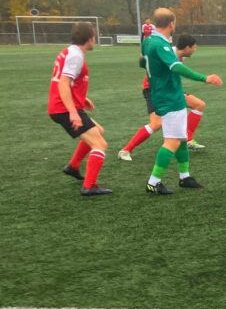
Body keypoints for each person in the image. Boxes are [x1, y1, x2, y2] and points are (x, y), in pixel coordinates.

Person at [143, 8, 222, 195]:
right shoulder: (160, 44)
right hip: (169, 97)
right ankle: (153, 182)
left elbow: (142, 63)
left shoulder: (148, 41)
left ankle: (184, 177)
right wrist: (205, 78)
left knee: (181, 138)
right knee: (172, 141)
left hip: (166, 93)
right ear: (172, 23)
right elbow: (176, 67)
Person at [119, 33, 208, 161]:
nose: (195, 49)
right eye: (194, 47)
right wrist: (204, 78)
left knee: (199, 105)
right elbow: (143, 59)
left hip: (170, 90)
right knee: (156, 123)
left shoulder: (178, 55)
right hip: (154, 89)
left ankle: (187, 139)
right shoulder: (167, 52)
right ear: (187, 47)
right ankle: (126, 150)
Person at [50, 22, 112, 196]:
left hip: (63, 105)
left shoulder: (70, 51)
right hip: (63, 108)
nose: (95, 39)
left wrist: (81, 98)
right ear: (89, 38)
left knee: (99, 131)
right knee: (100, 144)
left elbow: (65, 81)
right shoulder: (76, 56)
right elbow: (63, 83)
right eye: (94, 36)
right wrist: (72, 112)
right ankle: (89, 186)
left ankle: (73, 166)